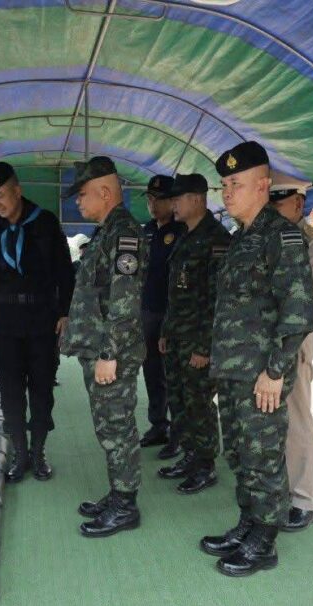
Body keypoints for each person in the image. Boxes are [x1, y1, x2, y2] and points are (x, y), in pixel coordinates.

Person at [200, 141, 313, 576]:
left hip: (260, 374)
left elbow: (299, 311)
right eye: (224, 185)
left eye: (236, 183)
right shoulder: (241, 239)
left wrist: (275, 370)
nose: (227, 192)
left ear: (263, 186)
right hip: (234, 371)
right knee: (240, 453)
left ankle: (264, 540)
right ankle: (248, 523)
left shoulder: (280, 237)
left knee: (263, 456)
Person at [0, 162, 73, 483]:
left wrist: (65, 311)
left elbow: (65, 271)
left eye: (1, 195)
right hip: (6, 323)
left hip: (42, 321)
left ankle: (38, 453)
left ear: (18, 191)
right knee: (10, 392)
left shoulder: (46, 223)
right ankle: (20, 454)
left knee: (41, 389)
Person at [61, 157, 148, 538]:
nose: (78, 202)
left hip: (112, 352)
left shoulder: (124, 234)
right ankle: (117, 494)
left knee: (117, 427)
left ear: (105, 192)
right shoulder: (105, 233)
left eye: (82, 194)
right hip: (99, 348)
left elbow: (124, 301)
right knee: (108, 426)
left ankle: (126, 505)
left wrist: (109, 354)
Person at [155, 173, 230, 493]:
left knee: (199, 403)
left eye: (178, 198)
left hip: (197, 341)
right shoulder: (186, 235)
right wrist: (166, 330)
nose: (173, 204)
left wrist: (204, 347)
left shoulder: (216, 239)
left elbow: (217, 300)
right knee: (180, 401)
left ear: (197, 199)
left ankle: (206, 464)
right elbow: (176, 292)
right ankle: (190, 454)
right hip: (177, 337)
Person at [268, 172, 313, 531]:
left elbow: (301, 303)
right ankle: (280, 486)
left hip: (293, 341)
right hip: (263, 342)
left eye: (278, 204)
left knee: (296, 418)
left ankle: (305, 497)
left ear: (298, 203)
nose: (272, 211)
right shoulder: (268, 238)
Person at [139, 176, 184, 454]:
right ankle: (158, 425)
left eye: (159, 199)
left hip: (172, 314)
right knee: (152, 371)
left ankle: (178, 435)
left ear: (173, 201)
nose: (153, 205)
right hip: (148, 311)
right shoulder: (145, 231)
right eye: (149, 199)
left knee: (173, 375)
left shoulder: (181, 231)